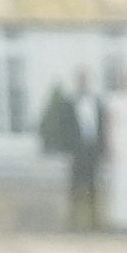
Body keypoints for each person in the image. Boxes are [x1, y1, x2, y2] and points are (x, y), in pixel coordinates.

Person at [33, 66, 106, 229]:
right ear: (76, 82)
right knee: (74, 186)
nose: (83, 82)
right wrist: (68, 152)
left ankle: (95, 221)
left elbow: (101, 127)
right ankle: (74, 221)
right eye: (80, 79)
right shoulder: (69, 103)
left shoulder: (97, 101)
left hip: (92, 149)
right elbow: (64, 129)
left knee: (93, 186)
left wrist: (102, 150)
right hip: (76, 150)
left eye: (85, 79)